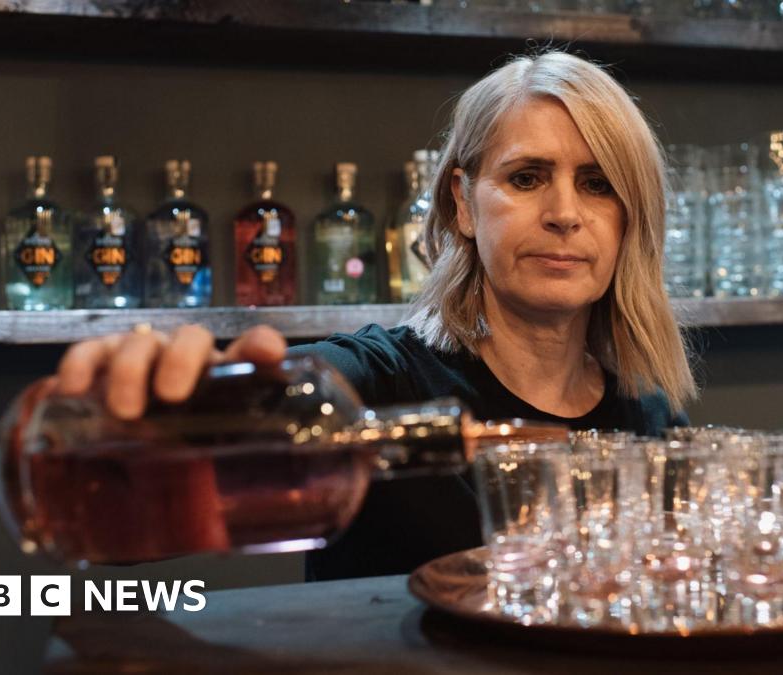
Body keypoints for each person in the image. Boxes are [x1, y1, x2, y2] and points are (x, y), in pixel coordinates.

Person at [50, 50, 696, 579]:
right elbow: (111, 520)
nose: (564, 212)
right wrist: (135, 419)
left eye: (598, 183)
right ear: (464, 204)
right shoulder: (369, 386)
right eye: (527, 177)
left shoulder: (651, 414)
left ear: (629, 216)